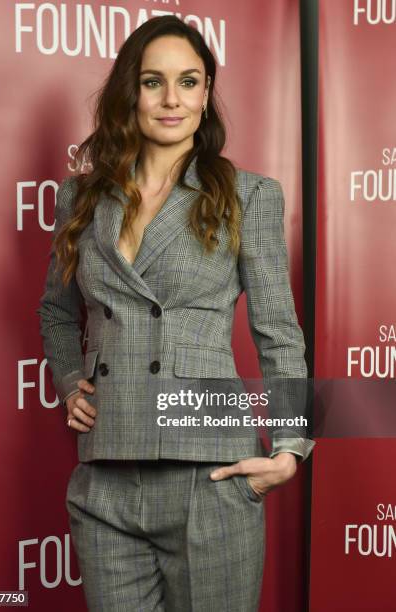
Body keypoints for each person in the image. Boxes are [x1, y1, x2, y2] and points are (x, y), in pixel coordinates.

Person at [37, 15, 315, 612]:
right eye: (153, 82)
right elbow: (57, 312)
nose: (172, 99)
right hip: (105, 474)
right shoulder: (81, 197)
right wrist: (67, 381)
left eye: (189, 81)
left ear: (207, 92)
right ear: (128, 93)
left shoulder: (247, 195)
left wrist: (291, 446)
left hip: (209, 471)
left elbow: (278, 331)